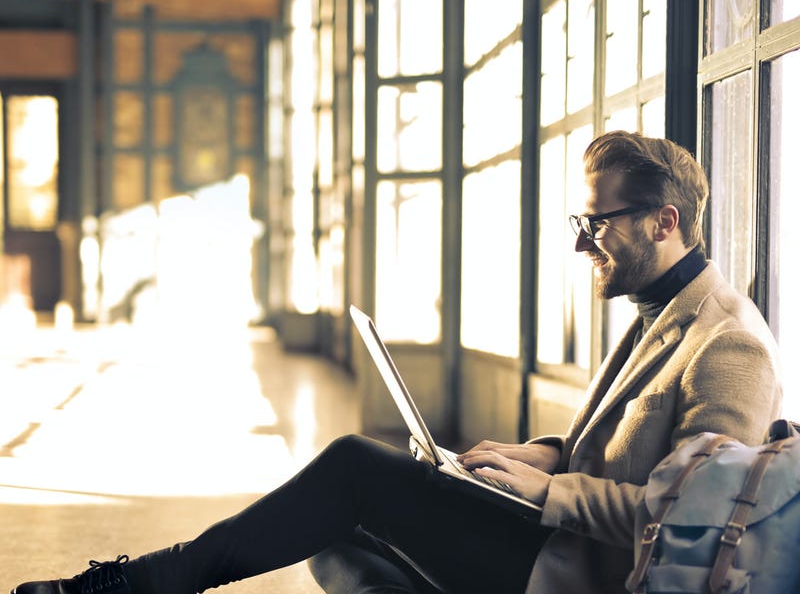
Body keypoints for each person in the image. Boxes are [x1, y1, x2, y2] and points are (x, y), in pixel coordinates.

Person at [12, 131, 783, 594]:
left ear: (664, 220)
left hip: (576, 573)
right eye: (581, 223)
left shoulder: (730, 345)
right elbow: (615, 452)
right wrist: (533, 454)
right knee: (335, 530)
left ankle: (139, 582)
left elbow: (693, 525)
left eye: (598, 224)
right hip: (550, 537)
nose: (584, 243)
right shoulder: (656, 311)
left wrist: (549, 490)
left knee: (352, 472)